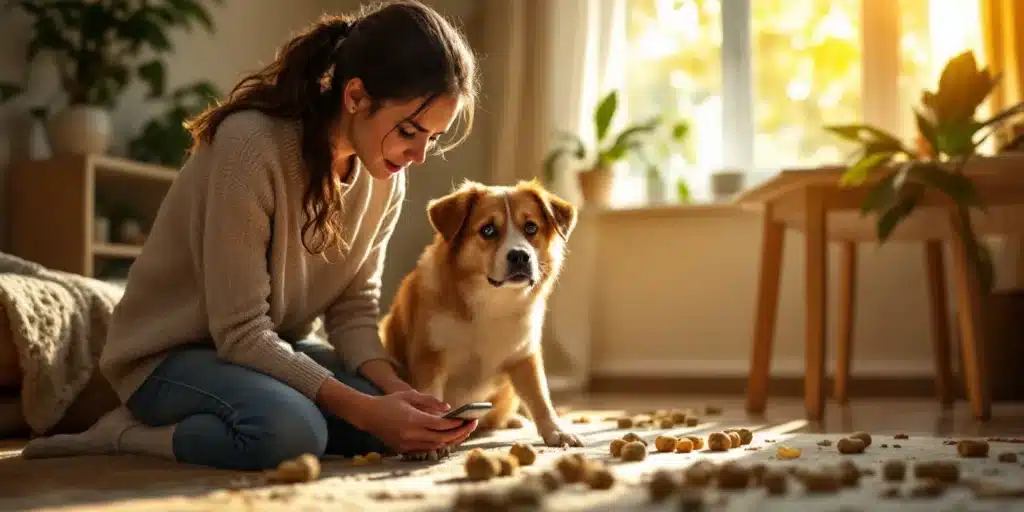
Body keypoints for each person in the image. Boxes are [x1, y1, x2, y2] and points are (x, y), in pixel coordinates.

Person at [22, 0, 480, 470]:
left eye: (433, 138)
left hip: (267, 349)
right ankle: (125, 434)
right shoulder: (250, 145)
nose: (419, 154)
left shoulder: (386, 176)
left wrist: (397, 393)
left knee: (390, 425)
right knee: (292, 431)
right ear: (356, 96)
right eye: (409, 130)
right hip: (170, 358)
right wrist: (365, 409)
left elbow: (354, 308)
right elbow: (240, 331)